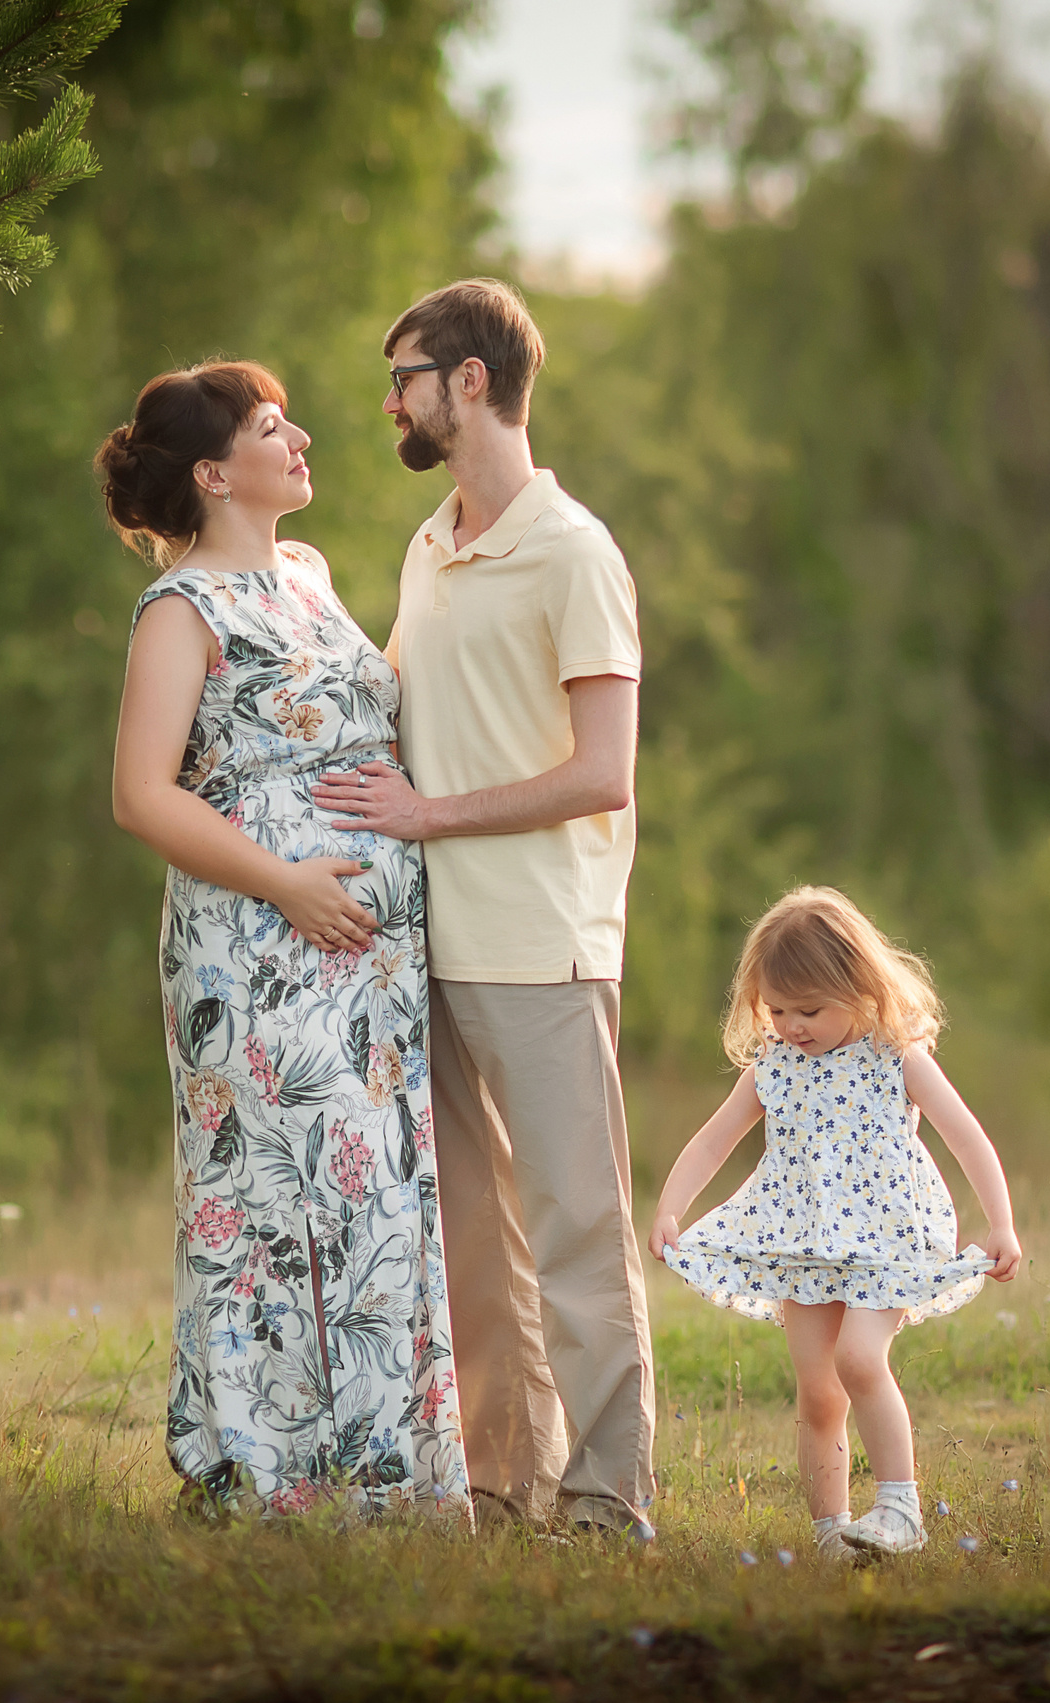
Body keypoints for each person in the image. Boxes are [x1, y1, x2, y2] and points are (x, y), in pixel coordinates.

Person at [315, 279, 654, 1539]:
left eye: (402, 373)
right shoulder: (427, 541)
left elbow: (601, 771)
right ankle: (508, 1487)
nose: (389, 398)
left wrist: (428, 814)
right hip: (428, 949)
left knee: (577, 1231)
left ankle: (612, 1498)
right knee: (471, 1240)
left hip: (543, 945)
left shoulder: (573, 550)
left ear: (468, 381)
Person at [100, 360, 465, 1520]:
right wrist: (289, 885)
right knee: (269, 1196)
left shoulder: (305, 573)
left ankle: (384, 1477)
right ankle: (265, 1477)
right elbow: (141, 796)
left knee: (372, 1196)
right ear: (214, 473)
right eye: (271, 426)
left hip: (368, 961)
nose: (301, 434)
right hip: (253, 949)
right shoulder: (180, 610)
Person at [649, 887, 1023, 1561]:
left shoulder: (896, 1056)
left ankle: (901, 1507)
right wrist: (672, 1206)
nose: (793, 1025)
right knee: (819, 1393)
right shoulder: (774, 1066)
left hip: (884, 1239)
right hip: (802, 1242)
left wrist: (1001, 1222)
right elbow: (713, 1141)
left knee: (858, 1359)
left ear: (860, 987)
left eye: (811, 1009)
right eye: (779, 1008)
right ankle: (832, 1535)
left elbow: (966, 1136)